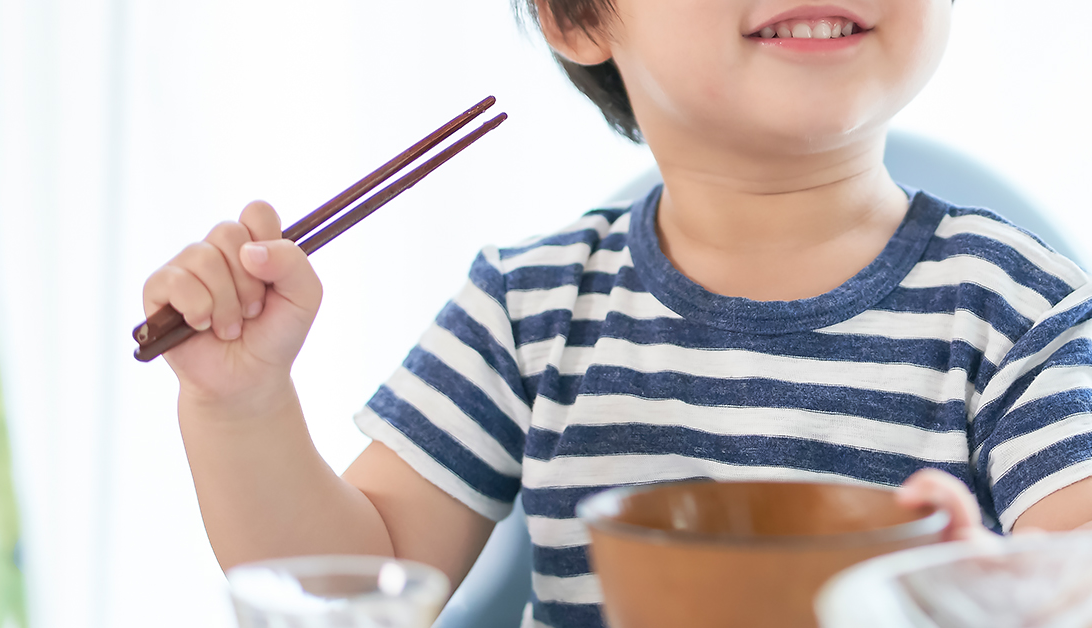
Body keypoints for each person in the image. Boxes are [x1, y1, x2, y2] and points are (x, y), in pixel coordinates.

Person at [142, 1, 1092, 626]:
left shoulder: (1024, 310)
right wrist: (242, 405)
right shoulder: (529, 308)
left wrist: (981, 592)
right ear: (577, 15)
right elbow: (352, 585)